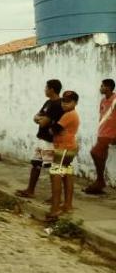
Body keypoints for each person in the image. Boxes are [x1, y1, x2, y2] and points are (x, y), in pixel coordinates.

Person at [16, 79, 64, 198]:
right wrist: (40, 119)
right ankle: (30, 190)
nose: (45, 90)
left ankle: (55, 196)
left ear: (52, 89)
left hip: (50, 141)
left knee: (53, 168)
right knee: (36, 163)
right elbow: (36, 117)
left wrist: (41, 119)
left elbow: (43, 122)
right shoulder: (48, 102)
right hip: (42, 138)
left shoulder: (58, 104)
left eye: (46, 88)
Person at [47, 91, 80, 220]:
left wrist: (50, 126)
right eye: (63, 101)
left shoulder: (68, 115)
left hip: (64, 148)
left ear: (75, 103)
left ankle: (55, 208)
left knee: (55, 174)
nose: (65, 104)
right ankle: (67, 205)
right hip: (69, 147)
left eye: (68, 101)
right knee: (67, 174)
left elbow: (53, 130)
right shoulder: (70, 114)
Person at [84, 79, 116, 195]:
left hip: (110, 134)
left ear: (107, 87)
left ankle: (100, 180)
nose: (100, 88)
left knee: (94, 152)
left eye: (102, 86)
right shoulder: (103, 100)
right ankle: (100, 182)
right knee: (101, 155)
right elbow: (102, 116)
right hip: (102, 133)